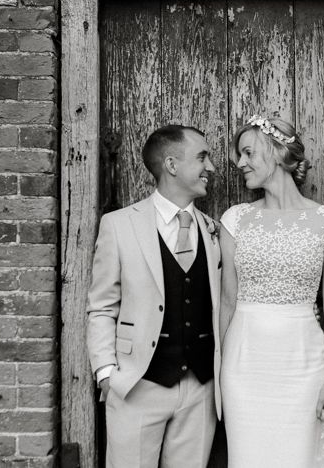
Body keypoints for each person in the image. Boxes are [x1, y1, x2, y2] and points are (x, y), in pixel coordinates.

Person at [86, 125, 222, 468]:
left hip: (201, 389)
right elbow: (102, 306)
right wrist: (106, 373)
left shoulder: (215, 230)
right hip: (137, 385)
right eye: (202, 157)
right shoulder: (118, 225)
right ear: (172, 165)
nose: (211, 167)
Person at [219, 115, 324, 468]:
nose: (240, 163)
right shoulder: (235, 219)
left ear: (275, 151)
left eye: (247, 153)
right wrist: (219, 375)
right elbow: (227, 302)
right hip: (243, 367)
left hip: (303, 365)